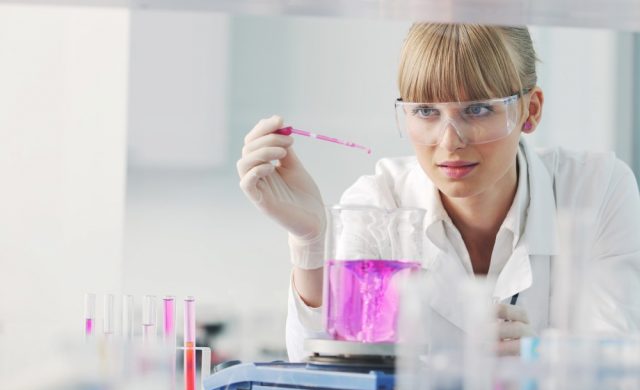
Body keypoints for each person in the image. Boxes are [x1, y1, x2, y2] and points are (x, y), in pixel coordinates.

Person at [236, 23, 640, 362]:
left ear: (530, 111)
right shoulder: (379, 205)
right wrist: (311, 243)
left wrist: (539, 357)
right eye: (426, 112)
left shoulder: (597, 188)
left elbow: (620, 368)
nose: (449, 141)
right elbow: (325, 382)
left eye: (478, 109)